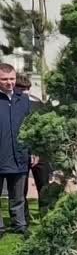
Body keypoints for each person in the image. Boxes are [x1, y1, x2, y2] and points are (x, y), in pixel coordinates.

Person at [0, 63, 34, 239]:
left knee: (18, 196)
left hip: (20, 155)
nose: (9, 83)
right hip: (1, 154)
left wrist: (33, 151)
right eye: (4, 79)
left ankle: (19, 225)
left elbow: (31, 127)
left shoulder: (24, 100)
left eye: (12, 79)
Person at [14, 74, 52, 220]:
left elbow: (45, 130)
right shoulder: (11, 105)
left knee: (43, 186)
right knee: (20, 188)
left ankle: (46, 215)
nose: (25, 92)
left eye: (27, 89)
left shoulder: (39, 106)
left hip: (40, 153)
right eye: (21, 89)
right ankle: (23, 218)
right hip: (20, 153)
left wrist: (37, 151)